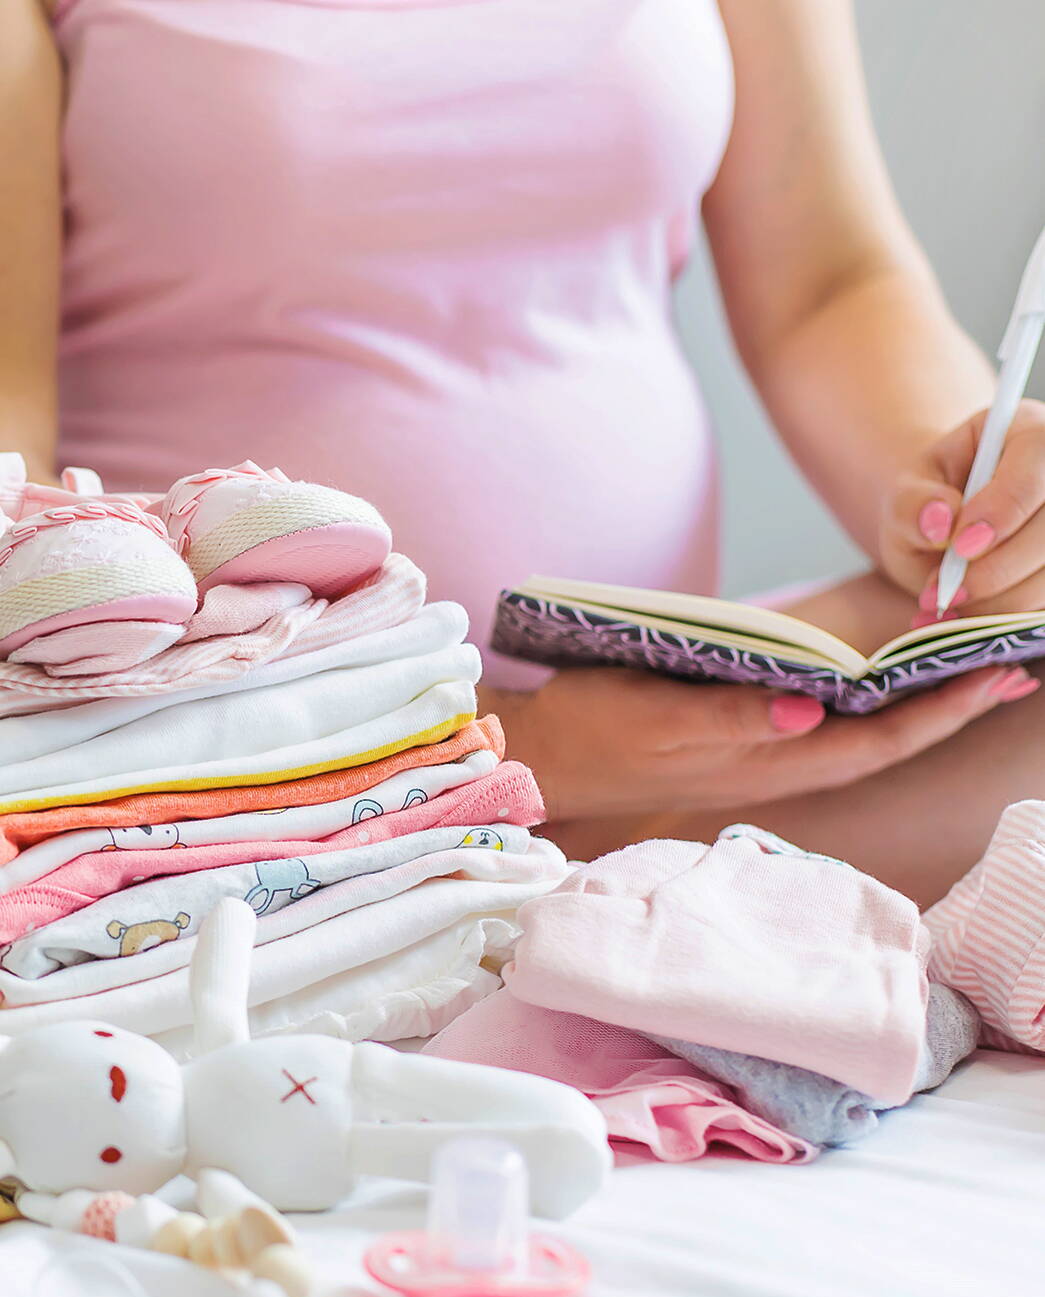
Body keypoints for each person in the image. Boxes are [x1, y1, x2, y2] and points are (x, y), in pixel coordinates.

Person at [5, 0, 1044, 907]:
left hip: (668, 738)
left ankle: (550, 861)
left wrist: (971, 504)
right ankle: (496, 841)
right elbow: (14, 470)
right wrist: (521, 743)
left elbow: (829, 285)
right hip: (243, 750)